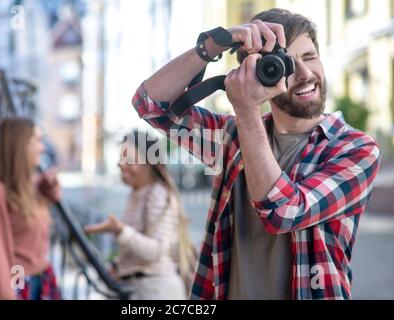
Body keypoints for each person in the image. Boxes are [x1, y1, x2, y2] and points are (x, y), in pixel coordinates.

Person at [131, 8, 381, 300]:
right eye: (287, 62)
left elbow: (283, 212)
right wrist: (215, 44)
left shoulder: (355, 148)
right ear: (259, 73)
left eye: (310, 57)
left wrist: (246, 108)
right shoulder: (232, 139)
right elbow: (150, 104)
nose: (304, 74)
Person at [84, 131, 194, 299]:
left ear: (149, 163)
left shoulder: (157, 194)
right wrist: (117, 265)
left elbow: (156, 251)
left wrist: (120, 230)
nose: (121, 164)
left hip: (157, 291)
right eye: (121, 158)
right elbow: (137, 250)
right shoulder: (137, 193)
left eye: (129, 160)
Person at [0, 117, 62, 300]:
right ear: (19, 146)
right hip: (17, 281)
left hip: (42, 279)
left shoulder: (27, 187)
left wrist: (48, 186)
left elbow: (53, 196)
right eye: (36, 140)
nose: (42, 148)